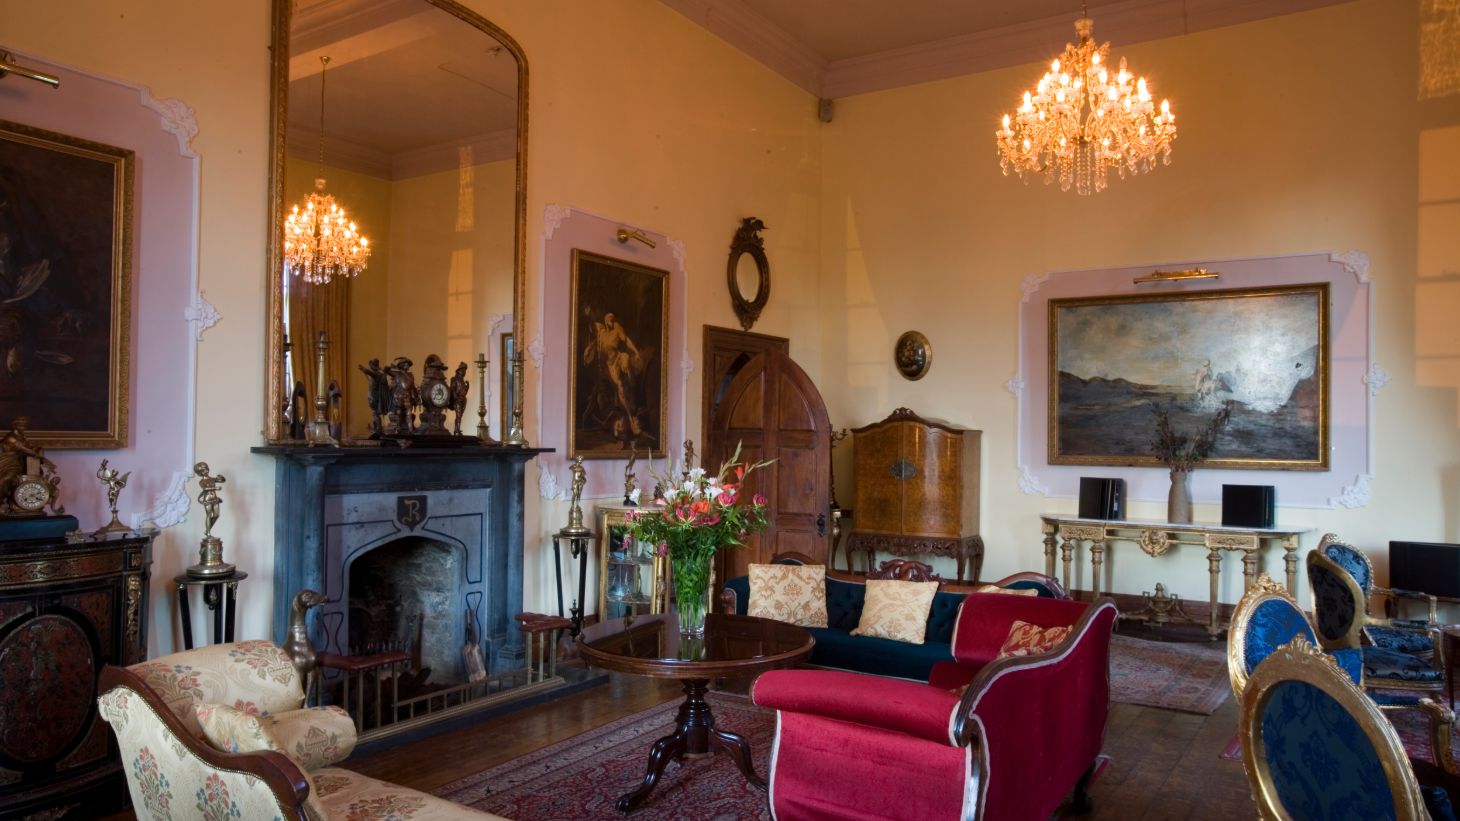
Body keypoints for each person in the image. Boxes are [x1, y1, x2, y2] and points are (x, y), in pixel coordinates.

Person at [582, 310, 644, 439]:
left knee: (621, 384)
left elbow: (626, 340)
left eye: (612, 319)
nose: (610, 321)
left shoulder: (617, 330)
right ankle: (628, 417)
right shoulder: (602, 332)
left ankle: (630, 416)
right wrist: (588, 315)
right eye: (608, 319)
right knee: (615, 389)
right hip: (607, 365)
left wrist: (636, 352)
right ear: (605, 321)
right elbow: (593, 330)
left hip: (617, 360)